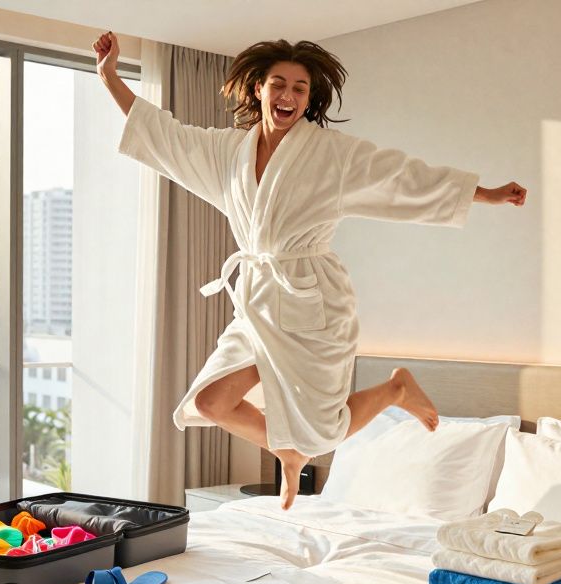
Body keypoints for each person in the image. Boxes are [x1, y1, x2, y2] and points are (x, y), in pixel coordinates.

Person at [94, 32, 527, 509]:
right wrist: (109, 76)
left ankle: (394, 390)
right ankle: (285, 449)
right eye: (279, 84)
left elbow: (401, 177)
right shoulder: (225, 155)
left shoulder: (332, 155)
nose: (289, 96)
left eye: (300, 89)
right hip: (258, 296)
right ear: (258, 88)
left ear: (309, 98)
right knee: (209, 402)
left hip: (312, 298)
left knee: (324, 431)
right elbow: (164, 136)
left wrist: (483, 193)